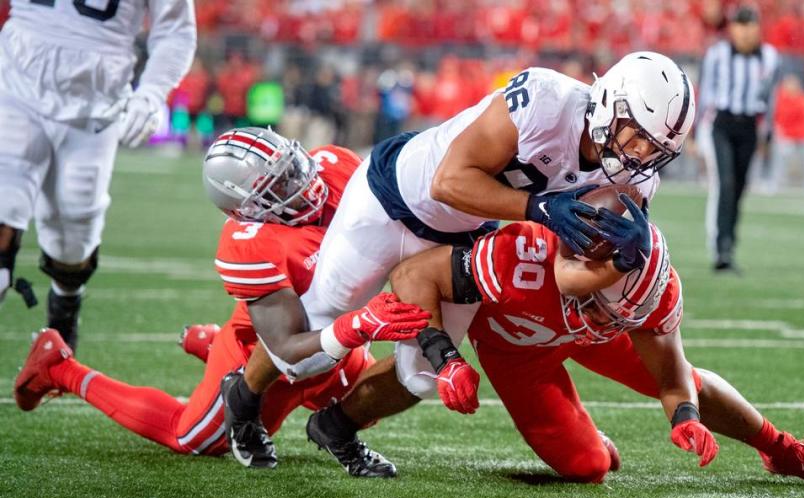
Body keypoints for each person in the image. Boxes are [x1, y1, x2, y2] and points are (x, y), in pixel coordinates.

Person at [231, 51, 697, 471]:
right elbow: (448, 182)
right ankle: (244, 400)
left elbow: (571, 270)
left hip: (465, 231)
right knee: (314, 336)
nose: (640, 154)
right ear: (611, 102)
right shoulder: (545, 101)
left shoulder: (632, 184)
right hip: (392, 200)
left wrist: (626, 256)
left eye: (656, 149)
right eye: (636, 136)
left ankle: (336, 428)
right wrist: (538, 209)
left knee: (424, 375)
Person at [13, 128, 430, 472]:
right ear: (248, 210)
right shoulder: (249, 243)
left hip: (334, 344)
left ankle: (206, 344)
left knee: (367, 405)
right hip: (266, 353)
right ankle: (58, 367)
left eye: (292, 169)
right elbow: (285, 348)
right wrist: (359, 325)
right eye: (280, 186)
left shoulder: (335, 166)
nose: (302, 186)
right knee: (191, 437)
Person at [387, 194, 804, 487]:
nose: (609, 319)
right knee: (588, 466)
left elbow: (673, 377)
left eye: (628, 315)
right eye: (605, 307)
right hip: (519, 348)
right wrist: (445, 357)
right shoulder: (523, 256)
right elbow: (411, 275)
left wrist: (685, 417)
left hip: (578, 333)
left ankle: (783, 450)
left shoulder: (642, 294)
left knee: (691, 382)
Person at [0, 0, 197, 350]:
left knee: (73, 235)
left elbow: (176, 30)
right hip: (15, 80)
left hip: (96, 103)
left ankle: (64, 306)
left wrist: (152, 93)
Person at [698, 6, 780, 273]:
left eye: (750, 26)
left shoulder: (769, 57)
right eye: (740, 26)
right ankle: (722, 248)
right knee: (727, 183)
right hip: (722, 124)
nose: (745, 33)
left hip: (748, 126)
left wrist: (767, 133)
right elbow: (706, 92)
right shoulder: (717, 54)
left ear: (758, 29)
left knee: (740, 186)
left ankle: (729, 244)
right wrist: (693, 129)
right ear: (732, 29)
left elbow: (770, 99)